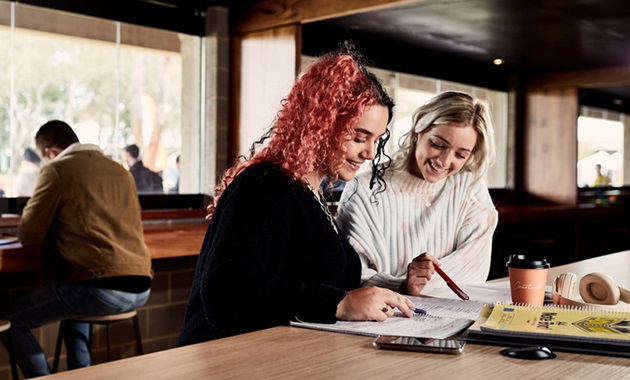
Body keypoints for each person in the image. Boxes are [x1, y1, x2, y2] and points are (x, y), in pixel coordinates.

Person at [177, 45, 416, 346]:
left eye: (376, 140)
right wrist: (339, 304)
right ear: (323, 124)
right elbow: (226, 288)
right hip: (228, 359)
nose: (369, 153)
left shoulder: (311, 193)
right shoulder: (265, 185)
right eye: (359, 137)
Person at [0, 120, 153, 378]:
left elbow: (29, 234)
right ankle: (79, 373)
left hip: (100, 290)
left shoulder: (58, 170)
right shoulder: (120, 171)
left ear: (49, 152)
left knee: (10, 319)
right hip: (141, 287)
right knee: (73, 302)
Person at [336, 91, 499, 296]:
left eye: (460, 154)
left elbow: (474, 270)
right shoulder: (365, 187)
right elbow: (349, 274)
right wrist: (402, 286)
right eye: (438, 145)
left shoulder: (470, 186)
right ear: (417, 131)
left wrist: (406, 285)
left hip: (451, 314)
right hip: (381, 317)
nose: (444, 161)